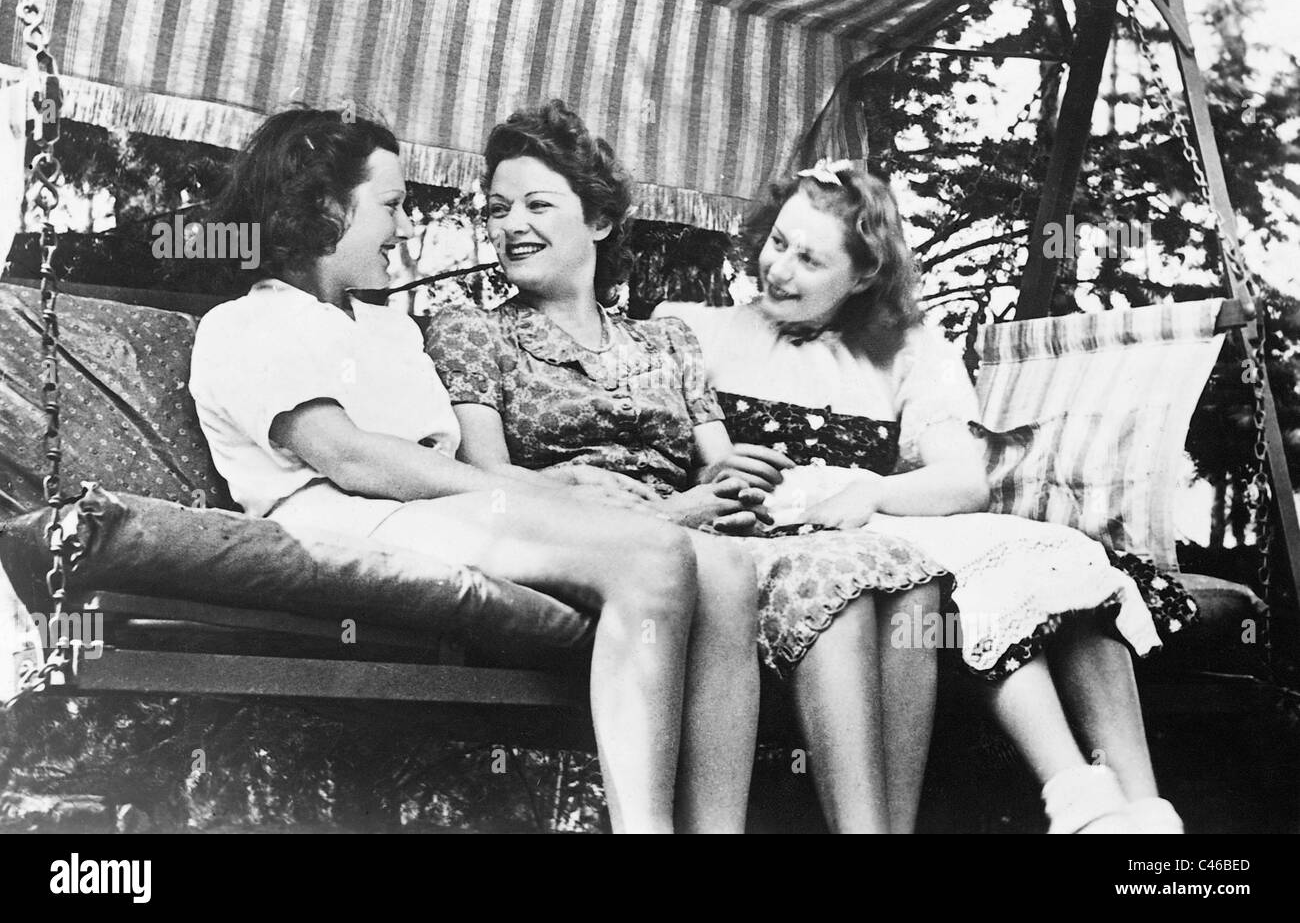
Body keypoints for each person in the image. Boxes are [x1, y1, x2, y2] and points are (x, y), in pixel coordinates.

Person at [187, 108, 761, 834]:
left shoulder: (389, 329)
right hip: (341, 520)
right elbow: (350, 455)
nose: (403, 229)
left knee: (722, 568)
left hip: (434, 513)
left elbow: (450, 465)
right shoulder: (245, 324)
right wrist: (525, 495)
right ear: (328, 206)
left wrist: (552, 492)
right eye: (391, 205)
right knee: (653, 557)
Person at [428, 101, 953, 833]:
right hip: (566, 535)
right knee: (723, 567)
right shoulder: (472, 329)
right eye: (499, 208)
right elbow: (486, 474)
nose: (513, 223)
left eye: (538, 204)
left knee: (860, 569)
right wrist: (664, 513)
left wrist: (743, 477)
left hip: (690, 537)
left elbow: (717, 469)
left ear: (600, 221)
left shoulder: (669, 341)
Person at [656, 160, 1195, 834]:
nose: (780, 270)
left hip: (876, 527)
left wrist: (873, 488)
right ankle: (1079, 797)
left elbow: (965, 479)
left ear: (860, 275)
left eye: (810, 259)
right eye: (778, 243)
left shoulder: (905, 351)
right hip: (787, 546)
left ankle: (1143, 818)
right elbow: (646, 448)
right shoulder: (695, 330)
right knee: (962, 576)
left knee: (1062, 558)